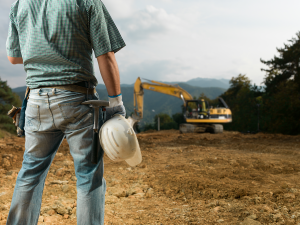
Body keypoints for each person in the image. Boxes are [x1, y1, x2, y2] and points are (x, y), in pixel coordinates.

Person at [5, 0, 126, 224]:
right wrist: (116, 103)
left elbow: (14, 57)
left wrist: (43, 47)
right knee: (88, 176)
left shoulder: (20, 5)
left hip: (36, 101)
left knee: (30, 173)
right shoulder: (87, 2)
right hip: (78, 100)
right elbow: (106, 55)